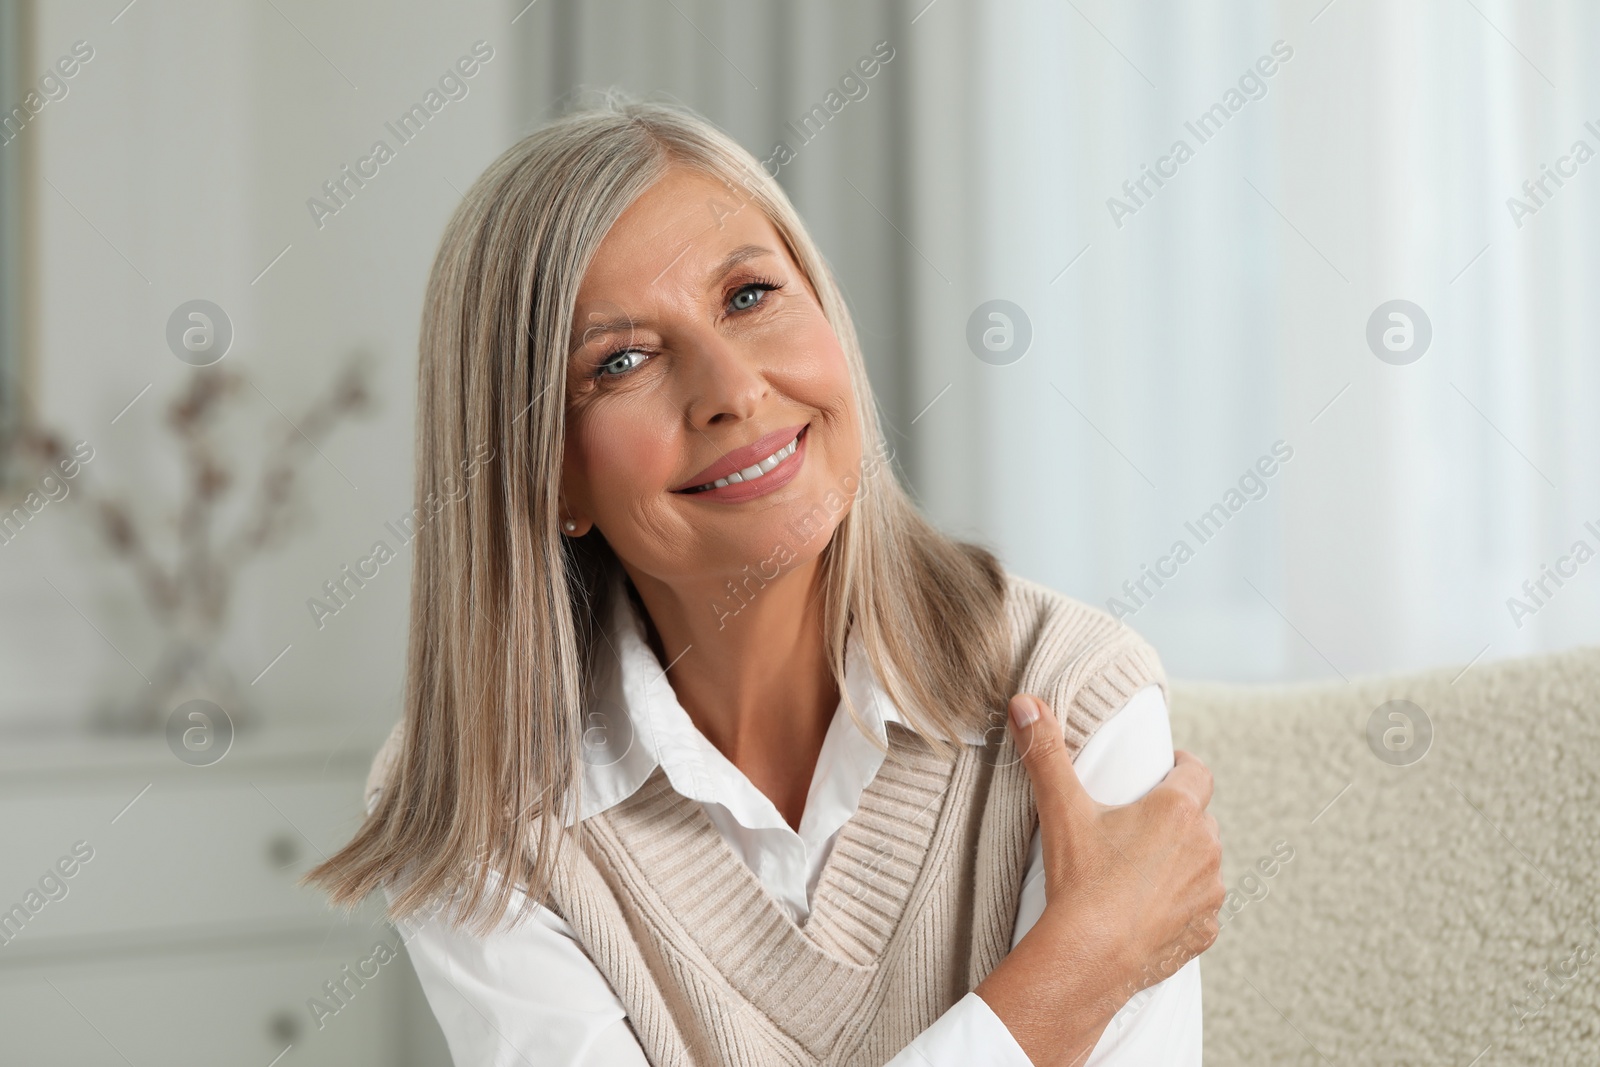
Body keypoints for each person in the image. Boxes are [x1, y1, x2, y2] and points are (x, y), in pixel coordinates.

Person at [305, 94, 1223, 1066]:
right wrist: (1072, 972)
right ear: (548, 471)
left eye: (748, 296)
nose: (732, 388)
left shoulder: (1076, 697)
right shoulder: (477, 790)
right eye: (620, 361)